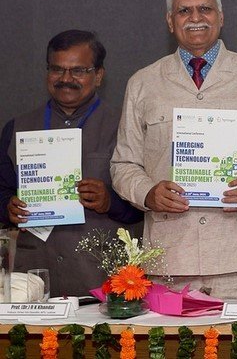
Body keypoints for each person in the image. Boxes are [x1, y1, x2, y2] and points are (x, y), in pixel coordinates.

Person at [111, 0, 237, 299]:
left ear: (221, 17)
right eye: (184, 11)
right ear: (170, 21)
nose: (195, 18)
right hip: (169, 258)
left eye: (205, 9)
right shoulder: (143, 83)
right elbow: (124, 164)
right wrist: (148, 193)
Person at [0, 30, 142, 296]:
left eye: (78, 71)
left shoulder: (126, 127)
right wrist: (8, 207)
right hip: (34, 280)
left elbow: (147, 204)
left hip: (103, 281)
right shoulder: (17, 128)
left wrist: (110, 201)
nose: (66, 79)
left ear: (98, 75)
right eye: (57, 69)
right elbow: (2, 191)